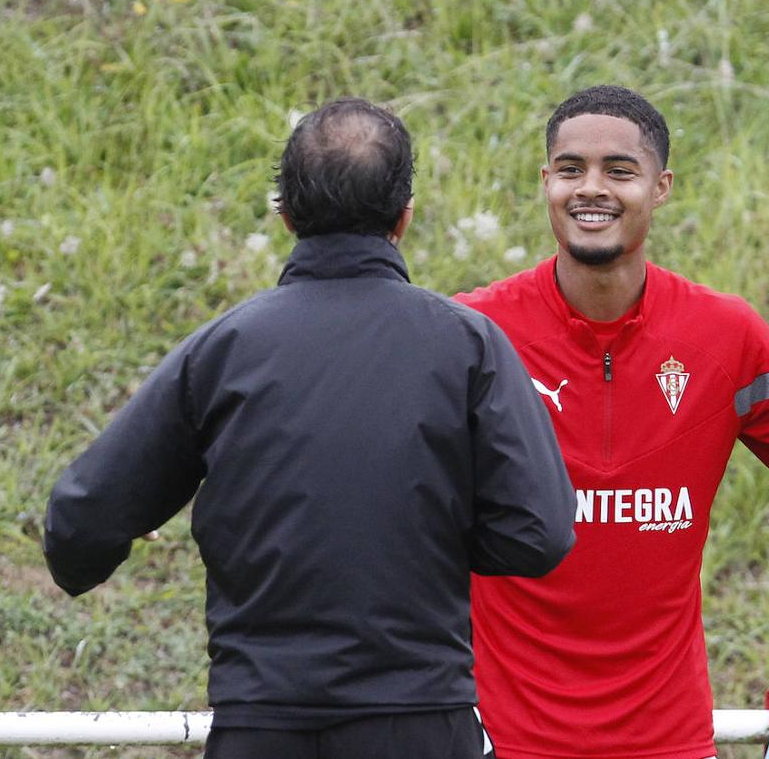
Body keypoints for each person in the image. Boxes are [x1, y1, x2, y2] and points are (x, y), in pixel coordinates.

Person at [44, 97, 576, 759]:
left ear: (286, 213)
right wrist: (425, 538)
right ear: (404, 216)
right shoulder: (467, 345)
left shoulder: (224, 349)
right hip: (420, 722)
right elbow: (541, 533)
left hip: (261, 723)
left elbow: (80, 523)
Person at [454, 85, 769, 759]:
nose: (592, 189)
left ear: (661, 187)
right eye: (572, 169)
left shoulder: (723, 335)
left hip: (666, 741)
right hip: (505, 740)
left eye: (620, 170)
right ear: (546, 181)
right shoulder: (473, 334)